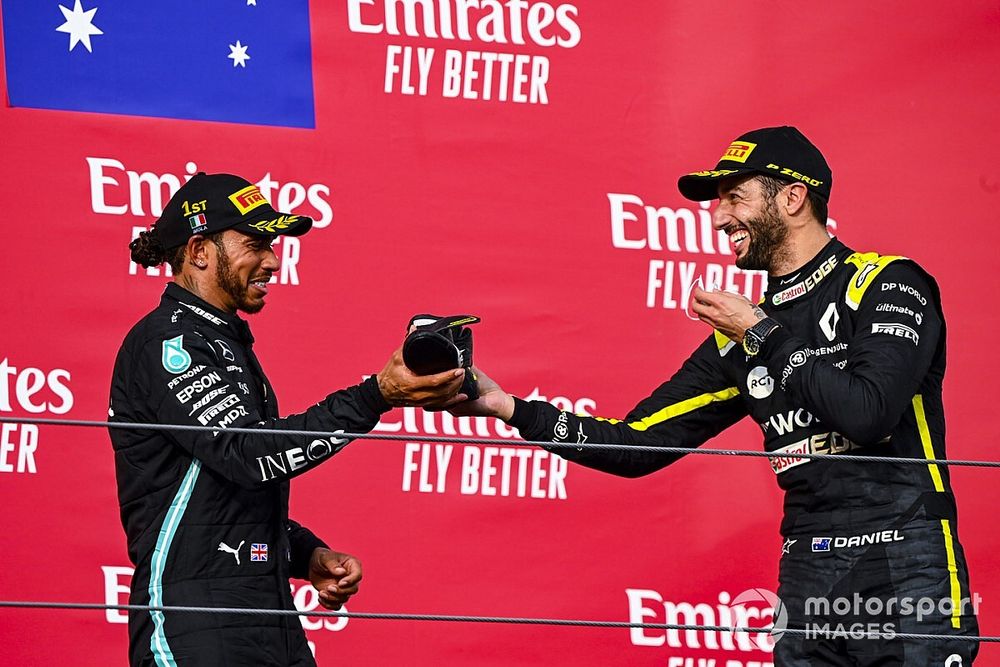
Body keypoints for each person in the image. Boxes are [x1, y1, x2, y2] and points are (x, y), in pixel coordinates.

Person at [454, 127, 979, 665]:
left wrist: (760, 333)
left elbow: (868, 414)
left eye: (735, 197)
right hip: (807, 565)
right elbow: (637, 446)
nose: (718, 217)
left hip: (908, 558)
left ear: (793, 197)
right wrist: (510, 409)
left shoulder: (885, 284)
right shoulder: (740, 340)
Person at [109, 172, 466, 666]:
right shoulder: (168, 342)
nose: (273, 261)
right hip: (195, 620)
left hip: (267, 614)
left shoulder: (220, 338)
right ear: (198, 250)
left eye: (273, 245)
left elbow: (221, 497)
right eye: (256, 244)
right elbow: (246, 455)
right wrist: (374, 396)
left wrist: (306, 556)